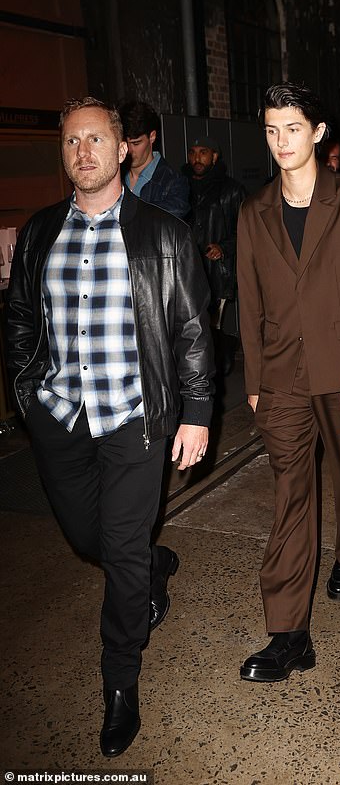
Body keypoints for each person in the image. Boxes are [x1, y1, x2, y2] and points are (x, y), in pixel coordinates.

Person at [7, 97, 214, 755]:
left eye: (96, 139)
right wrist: (27, 394)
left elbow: (191, 330)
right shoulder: (40, 233)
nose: (84, 152)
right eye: (72, 142)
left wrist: (199, 411)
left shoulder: (164, 233)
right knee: (86, 536)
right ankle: (148, 564)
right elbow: (18, 321)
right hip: (61, 415)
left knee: (118, 552)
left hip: (133, 418)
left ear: (123, 148)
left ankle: (119, 681)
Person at [237, 82, 340, 682]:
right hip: (281, 378)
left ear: (318, 132)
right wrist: (254, 379)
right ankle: (288, 633)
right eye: (272, 130)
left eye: (292, 129)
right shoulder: (253, 213)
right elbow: (248, 301)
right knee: (291, 498)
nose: (281, 142)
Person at [184, 136, 247, 375]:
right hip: (188, 270)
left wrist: (224, 247)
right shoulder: (181, 186)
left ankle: (214, 369)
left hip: (216, 272)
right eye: (192, 152)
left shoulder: (231, 190)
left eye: (203, 152)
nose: (197, 158)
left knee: (211, 327)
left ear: (215, 156)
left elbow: (247, 231)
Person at [119, 100, 190, 219]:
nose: (129, 150)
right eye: (125, 143)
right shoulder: (113, 176)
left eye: (136, 143)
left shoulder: (175, 183)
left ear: (152, 137)